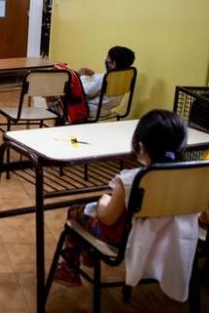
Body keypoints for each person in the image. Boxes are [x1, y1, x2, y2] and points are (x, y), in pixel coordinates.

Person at [53, 109, 187, 288]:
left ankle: (70, 268)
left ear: (140, 146)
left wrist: (103, 200)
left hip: (128, 241)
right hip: (170, 240)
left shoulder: (132, 180)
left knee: (76, 210)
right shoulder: (190, 178)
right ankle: (90, 255)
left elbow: (107, 218)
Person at [78, 46, 135, 119]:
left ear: (113, 63)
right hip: (108, 110)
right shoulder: (126, 77)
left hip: (92, 110)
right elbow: (102, 82)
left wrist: (82, 77)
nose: (106, 60)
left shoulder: (105, 78)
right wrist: (93, 74)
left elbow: (86, 92)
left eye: (108, 58)